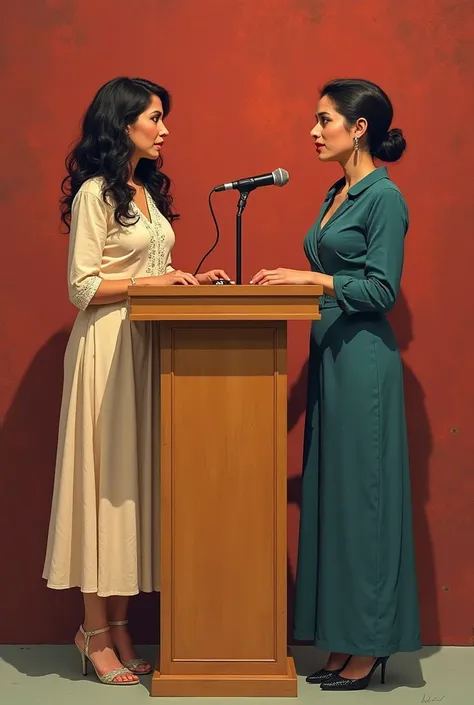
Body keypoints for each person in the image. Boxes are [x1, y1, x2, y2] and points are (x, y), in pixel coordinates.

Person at [42, 77, 230, 685]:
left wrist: (189, 281)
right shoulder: (96, 193)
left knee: (131, 486)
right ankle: (93, 631)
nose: (164, 129)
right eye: (154, 117)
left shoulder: (144, 191)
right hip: (106, 350)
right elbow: (83, 287)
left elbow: (153, 270)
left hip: (146, 347)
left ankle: (120, 625)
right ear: (123, 123)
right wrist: (155, 283)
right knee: (103, 485)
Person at [251, 78, 421, 691]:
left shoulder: (384, 198)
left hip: (363, 362)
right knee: (338, 501)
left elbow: (382, 289)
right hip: (329, 356)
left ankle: (370, 645)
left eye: (324, 120)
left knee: (364, 504)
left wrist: (313, 280)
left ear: (359, 128)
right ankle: (345, 637)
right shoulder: (336, 193)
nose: (314, 130)